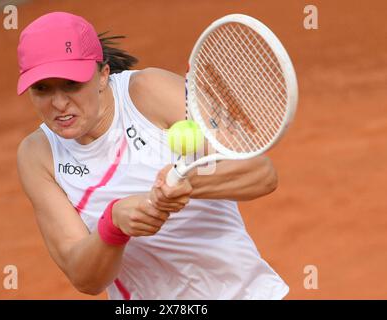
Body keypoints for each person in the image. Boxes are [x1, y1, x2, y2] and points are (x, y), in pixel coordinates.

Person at [16, 11, 288, 299]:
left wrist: (188, 184)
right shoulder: (38, 156)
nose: (58, 103)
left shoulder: (149, 92)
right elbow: (84, 277)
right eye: (42, 89)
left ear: (102, 75)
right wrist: (113, 226)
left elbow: (261, 174)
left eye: (72, 84)